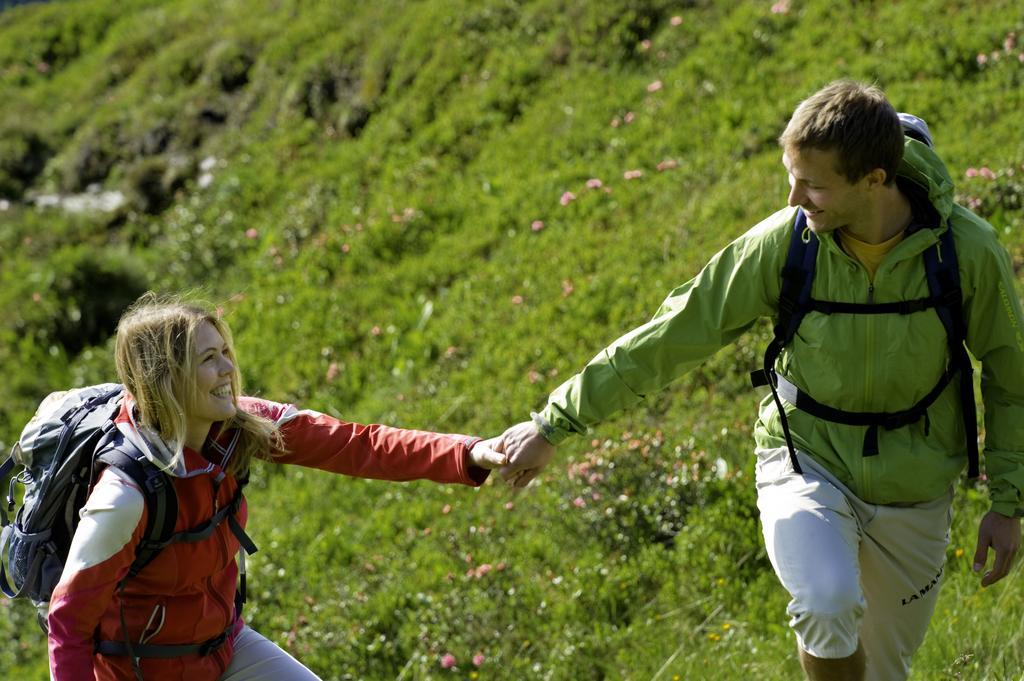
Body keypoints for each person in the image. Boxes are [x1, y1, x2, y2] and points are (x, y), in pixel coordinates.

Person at [496, 80, 1024, 681]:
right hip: (805, 459)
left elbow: (1012, 376)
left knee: (883, 670)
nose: (795, 197)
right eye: (790, 175)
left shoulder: (967, 251)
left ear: (875, 179)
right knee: (826, 604)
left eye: (814, 183)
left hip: (917, 485)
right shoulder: (787, 241)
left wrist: (1009, 503)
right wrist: (554, 424)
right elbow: (670, 335)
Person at [47, 293, 507, 681]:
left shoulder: (237, 425)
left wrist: (468, 453)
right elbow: (68, 625)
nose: (228, 368)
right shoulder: (123, 496)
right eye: (209, 359)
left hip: (224, 648)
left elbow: (355, 444)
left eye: (225, 351)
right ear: (165, 379)